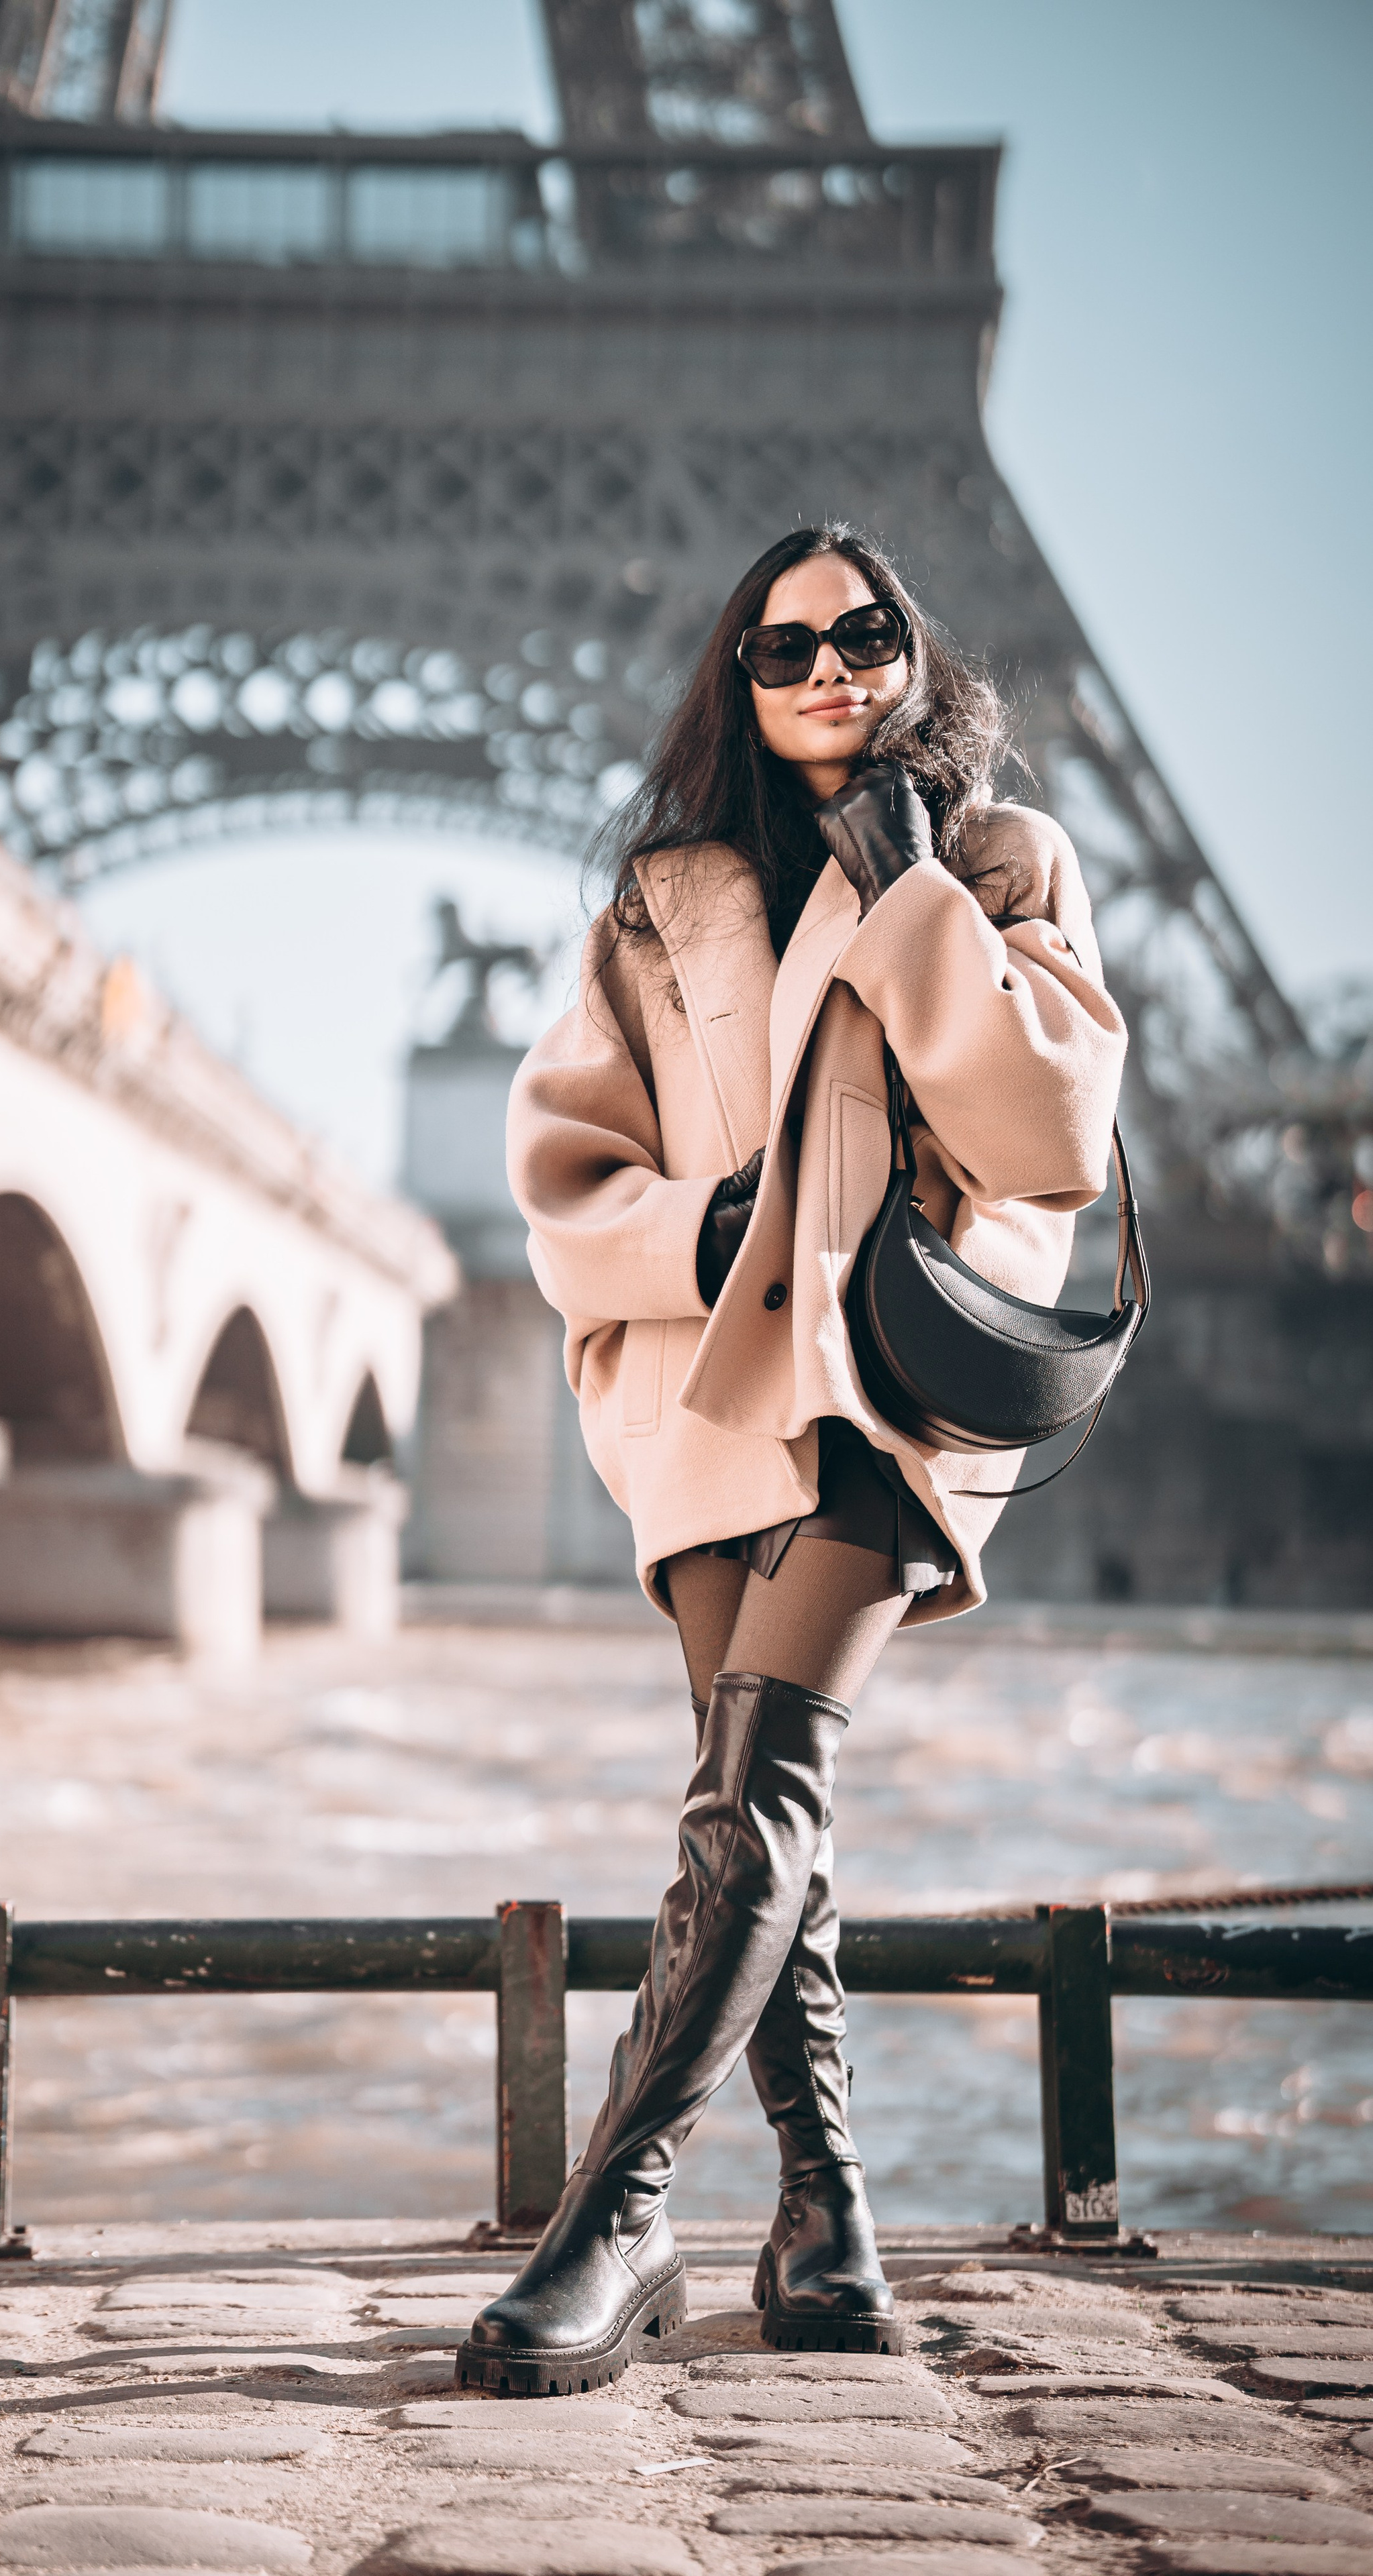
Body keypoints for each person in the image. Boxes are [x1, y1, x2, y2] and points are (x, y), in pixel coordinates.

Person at [456, 523, 1128, 2396]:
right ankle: (825, 2210)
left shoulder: (999, 863)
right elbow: (561, 1168)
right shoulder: (656, 905)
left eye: (868, 631)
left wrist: (917, 909)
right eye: (787, 646)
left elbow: (1049, 1134)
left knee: (758, 1797)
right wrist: (692, 1233)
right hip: (700, 1395)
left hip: (884, 1392)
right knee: (766, 1820)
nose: (833, 667)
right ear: (736, 678)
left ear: (916, 651)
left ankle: (618, 2212)